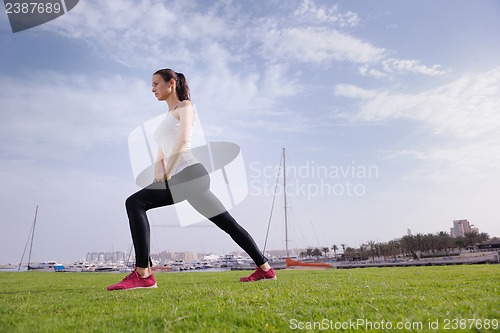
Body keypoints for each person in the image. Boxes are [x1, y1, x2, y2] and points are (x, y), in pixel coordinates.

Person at [107, 69, 276, 291]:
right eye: (152, 84)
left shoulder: (185, 107)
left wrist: (168, 170)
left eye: (156, 83)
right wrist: (159, 171)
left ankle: (144, 274)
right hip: (183, 177)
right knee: (228, 224)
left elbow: (184, 138)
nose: (152, 89)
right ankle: (265, 269)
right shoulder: (165, 119)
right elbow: (161, 152)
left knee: (135, 203)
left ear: (171, 84)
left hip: (191, 174)